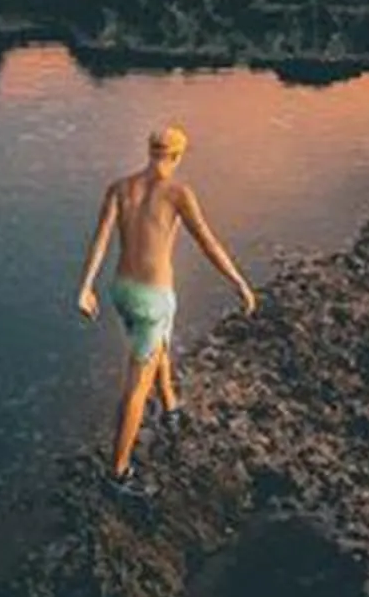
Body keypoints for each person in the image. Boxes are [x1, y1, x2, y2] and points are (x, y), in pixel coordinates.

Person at [76, 124, 257, 485]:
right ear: (176, 156)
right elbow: (208, 242)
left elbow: (99, 241)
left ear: (150, 151)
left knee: (159, 345)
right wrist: (239, 283)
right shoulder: (177, 193)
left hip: (121, 291)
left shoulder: (120, 188)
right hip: (152, 298)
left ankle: (171, 406)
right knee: (136, 388)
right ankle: (118, 472)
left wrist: (85, 288)